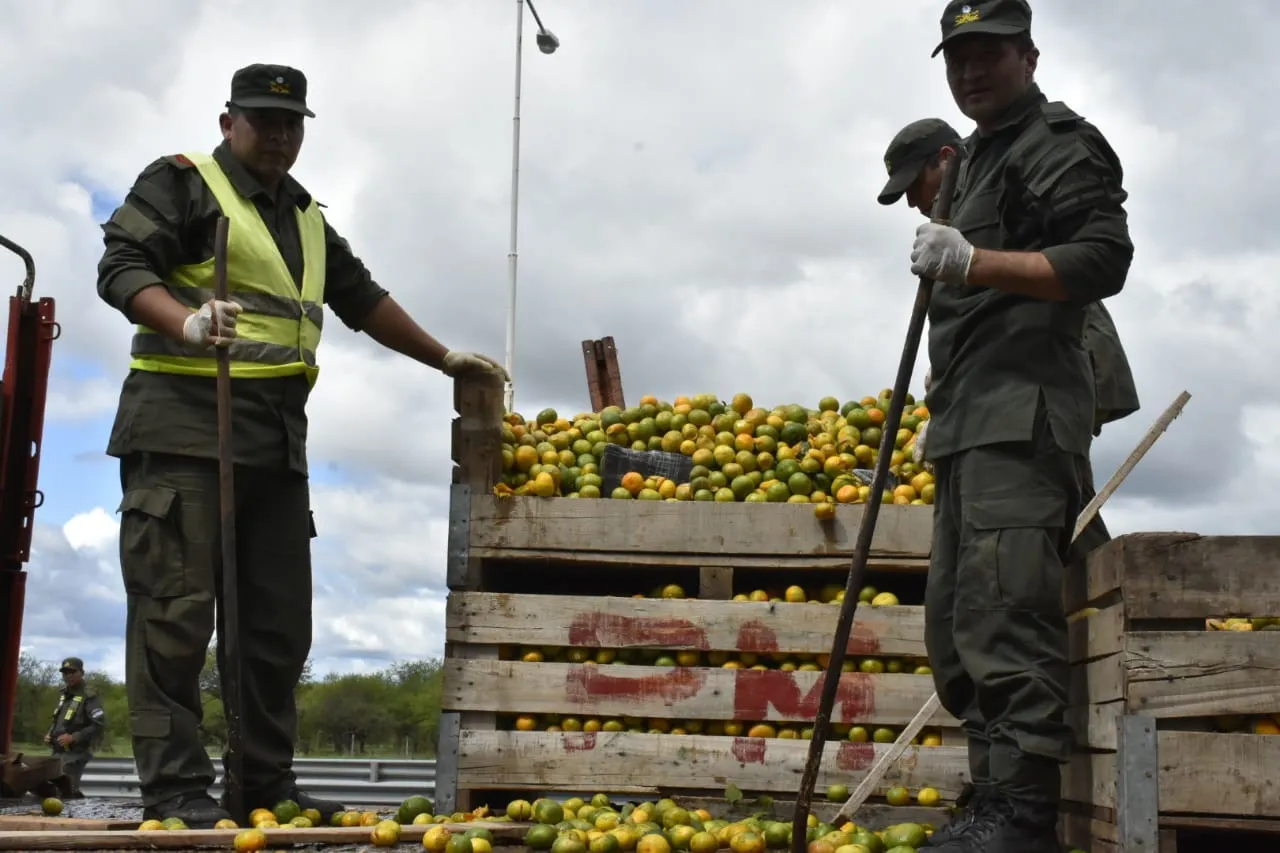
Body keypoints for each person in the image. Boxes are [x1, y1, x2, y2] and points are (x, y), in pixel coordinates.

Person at [95, 63, 506, 828]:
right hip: (184, 435)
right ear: (228, 123)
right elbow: (120, 269)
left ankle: (262, 783)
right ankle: (176, 790)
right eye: (262, 121)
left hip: (276, 449)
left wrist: (443, 355)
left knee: (277, 627)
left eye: (291, 125)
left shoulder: (308, 217)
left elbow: (362, 299)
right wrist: (181, 318)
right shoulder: (182, 185)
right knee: (175, 620)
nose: (279, 136)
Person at [900, 2, 1137, 850]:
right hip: (965, 424)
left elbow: (1104, 257)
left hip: (1023, 417)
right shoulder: (971, 163)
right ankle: (989, 796)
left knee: (1009, 615)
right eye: (957, 58)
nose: (971, 72)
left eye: (989, 54)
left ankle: (1023, 815)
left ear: (1028, 56)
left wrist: (974, 258)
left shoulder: (1057, 143)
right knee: (958, 625)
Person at [878, 117, 1140, 559]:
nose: (911, 204)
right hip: (1010, 378)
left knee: (1047, 487)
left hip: (1061, 359)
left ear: (944, 159)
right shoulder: (962, 206)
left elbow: (1063, 271)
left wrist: (969, 263)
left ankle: (1100, 585)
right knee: (1056, 493)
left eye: (913, 186)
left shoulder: (993, 185)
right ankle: (1090, 579)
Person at [43, 657, 106, 798]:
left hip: (76, 754)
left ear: (81, 673)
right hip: (58, 753)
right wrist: (50, 734)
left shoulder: (89, 695)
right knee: (53, 792)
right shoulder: (64, 694)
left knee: (66, 792)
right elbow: (58, 720)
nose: (68, 676)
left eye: (72, 672)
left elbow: (98, 725)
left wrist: (73, 737)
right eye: (65, 673)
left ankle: (71, 816)